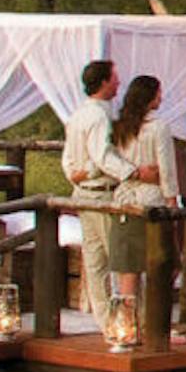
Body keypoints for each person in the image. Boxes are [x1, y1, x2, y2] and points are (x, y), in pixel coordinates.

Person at [102, 74, 177, 320]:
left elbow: (111, 161)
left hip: (124, 200)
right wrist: (172, 199)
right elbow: (166, 167)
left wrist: (130, 173)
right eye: (158, 93)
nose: (162, 98)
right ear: (149, 97)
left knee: (129, 269)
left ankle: (127, 324)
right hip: (150, 201)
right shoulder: (158, 128)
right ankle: (152, 323)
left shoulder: (121, 127)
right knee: (160, 265)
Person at [60, 58, 121, 324]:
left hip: (83, 194)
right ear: (104, 82)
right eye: (115, 78)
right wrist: (133, 172)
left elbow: (67, 161)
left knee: (95, 261)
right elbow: (101, 157)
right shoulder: (98, 117)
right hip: (99, 194)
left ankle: (106, 322)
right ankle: (127, 320)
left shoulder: (78, 115)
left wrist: (76, 176)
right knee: (117, 258)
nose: (119, 82)